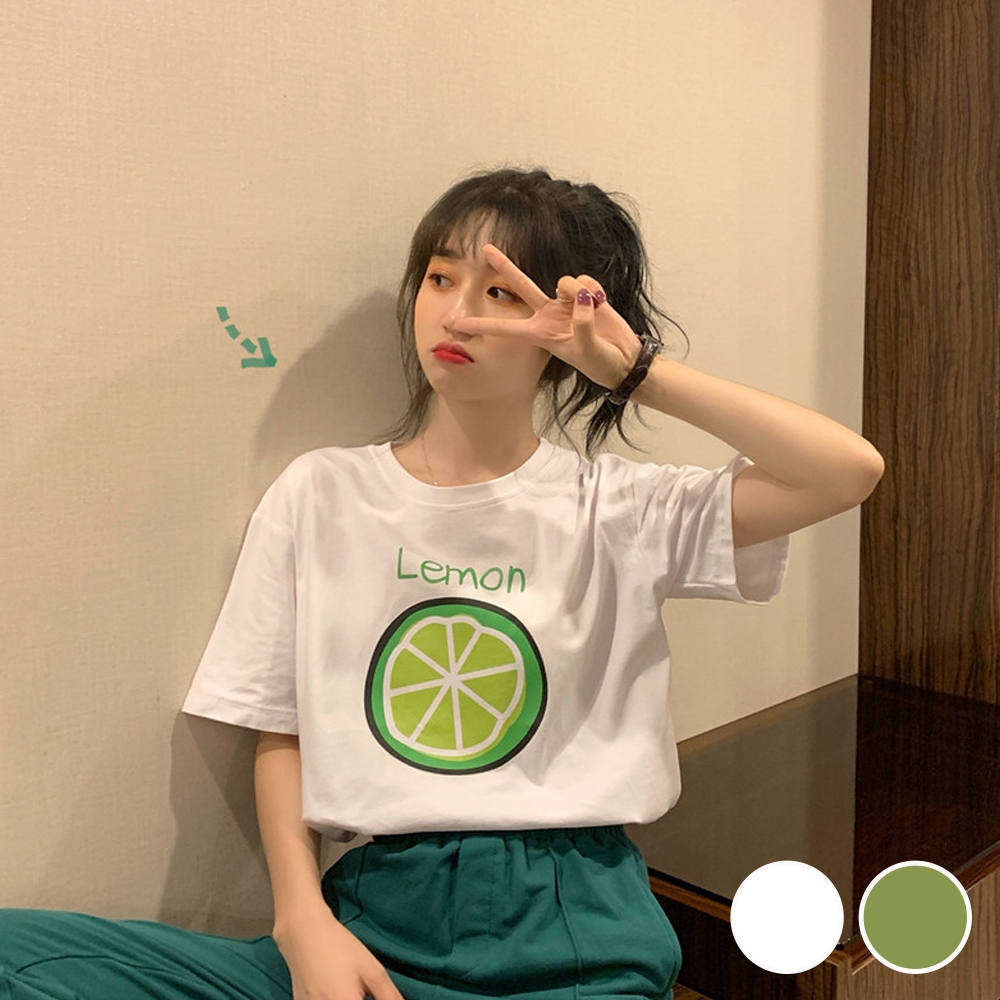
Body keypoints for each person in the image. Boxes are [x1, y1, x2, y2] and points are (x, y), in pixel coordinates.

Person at [0, 167, 884, 1000]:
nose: (457, 315)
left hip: (569, 923)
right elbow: (281, 725)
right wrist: (300, 920)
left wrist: (636, 374)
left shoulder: (618, 508)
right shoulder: (320, 494)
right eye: (440, 278)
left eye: (502, 293)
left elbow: (846, 471)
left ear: (563, 325)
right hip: (367, 918)